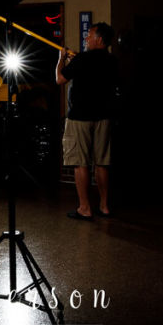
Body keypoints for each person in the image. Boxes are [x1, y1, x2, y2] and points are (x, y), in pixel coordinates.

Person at [56, 22, 119, 220]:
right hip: (104, 116)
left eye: (89, 35)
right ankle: (104, 206)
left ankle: (85, 208)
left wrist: (61, 60)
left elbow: (59, 79)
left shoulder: (82, 59)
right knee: (102, 163)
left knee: (80, 163)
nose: (86, 39)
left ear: (99, 39)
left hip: (80, 117)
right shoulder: (112, 60)